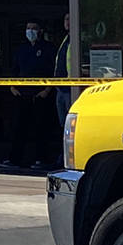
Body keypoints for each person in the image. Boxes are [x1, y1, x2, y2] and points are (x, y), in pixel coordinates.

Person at [1, 19, 55, 169]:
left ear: (40, 31)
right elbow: (14, 69)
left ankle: (41, 160)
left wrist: (46, 90)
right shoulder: (21, 49)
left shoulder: (48, 48)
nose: (30, 31)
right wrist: (12, 87)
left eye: (33, 28)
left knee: (41, 128)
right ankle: (14, 160)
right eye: (28, 28)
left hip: (40, 95)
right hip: (22, 95)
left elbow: (54, 72)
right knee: (19, 128)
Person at [45, 12, 72, 167]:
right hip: (61, 90)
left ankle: (67, 158)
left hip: (71, 89)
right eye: (65, 19)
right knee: (63, 126)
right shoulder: (65, 40)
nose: (67, 22)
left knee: (70, 127)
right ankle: (63, 156)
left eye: (70, 19)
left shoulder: (77, 38)